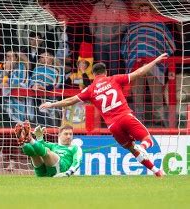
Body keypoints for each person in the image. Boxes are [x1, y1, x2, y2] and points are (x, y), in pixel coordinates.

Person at [40, 53, 170, 177]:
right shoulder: (114, 79)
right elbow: (139, 73)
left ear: (94, 74)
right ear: (105, 72)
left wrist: (51, 104)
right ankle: (142, 147)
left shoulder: (90, 89)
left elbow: (70, 100)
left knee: (132, 149)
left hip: (113, 126)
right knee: (147, 140)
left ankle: (156, 171)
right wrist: (155, 61)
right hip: (125, 116)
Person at [15, 122, 82, 177]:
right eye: (66, 134)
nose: (69, 136)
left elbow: (77, 162)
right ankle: (23, 143)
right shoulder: (54, 145)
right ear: (59, 135)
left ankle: (29, 139)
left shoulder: (75, 148)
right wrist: (39, 138)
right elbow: (41, 146)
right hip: (42, 172)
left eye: (71, 134)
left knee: (47, 150)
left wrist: (67, 173)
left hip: (60, 171)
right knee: (34, 153)